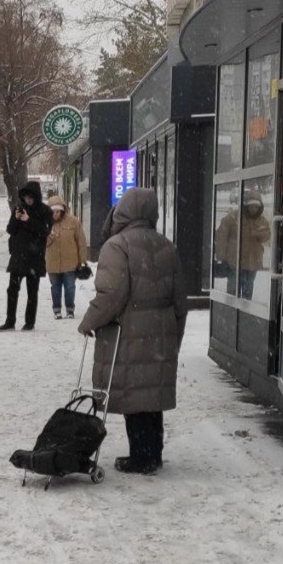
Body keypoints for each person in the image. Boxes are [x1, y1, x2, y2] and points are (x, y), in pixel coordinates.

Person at [78, 189, 187, 475]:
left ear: (122, 212)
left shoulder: (117, 246)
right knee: (150, 396)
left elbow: (111, 295)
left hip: (130, 330)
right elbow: (180, 301)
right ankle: (152, 453)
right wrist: (174, 336)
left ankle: (141, 457)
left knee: (134, 393)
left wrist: (89, 321)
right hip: (160, 331)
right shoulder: (167, 246)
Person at [0, 181, 54, 331]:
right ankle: (10, 321)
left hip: (34, 258)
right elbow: (10, 230)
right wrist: (16, 219)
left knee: (32, 291)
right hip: (18, 257)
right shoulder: (19, 209)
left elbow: (45, 231)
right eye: (25, 197)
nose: (28, 200)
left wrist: (28, 220)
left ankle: (29, 322)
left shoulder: (45, 211)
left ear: (36, 197)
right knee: (12, 290)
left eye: (31, 197)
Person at [214, 190, 271, 300]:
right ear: (246, 205)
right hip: (234, 261)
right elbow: (221, 236)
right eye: (251, 206)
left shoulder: (262, 220)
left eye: (256, 207)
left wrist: (259, 233)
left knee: (247, 292)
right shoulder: (232, 217)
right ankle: (231, 312)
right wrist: (221, 256)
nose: (253, 209)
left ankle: (245, 313)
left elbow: (267, 236)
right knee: (232, 291)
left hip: (252, 261)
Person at [45, 195, 89, 320]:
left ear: (63, 210)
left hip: (70, 262)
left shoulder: (73, 222)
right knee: (56, 287)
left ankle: (70, 310)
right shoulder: (45, 223)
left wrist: (83, 261)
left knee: (70, 287)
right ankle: (57, 310)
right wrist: (50, 236)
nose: (56, 214)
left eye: (58, 211)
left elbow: (81, 242)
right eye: (53, 211)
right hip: (53, 263)